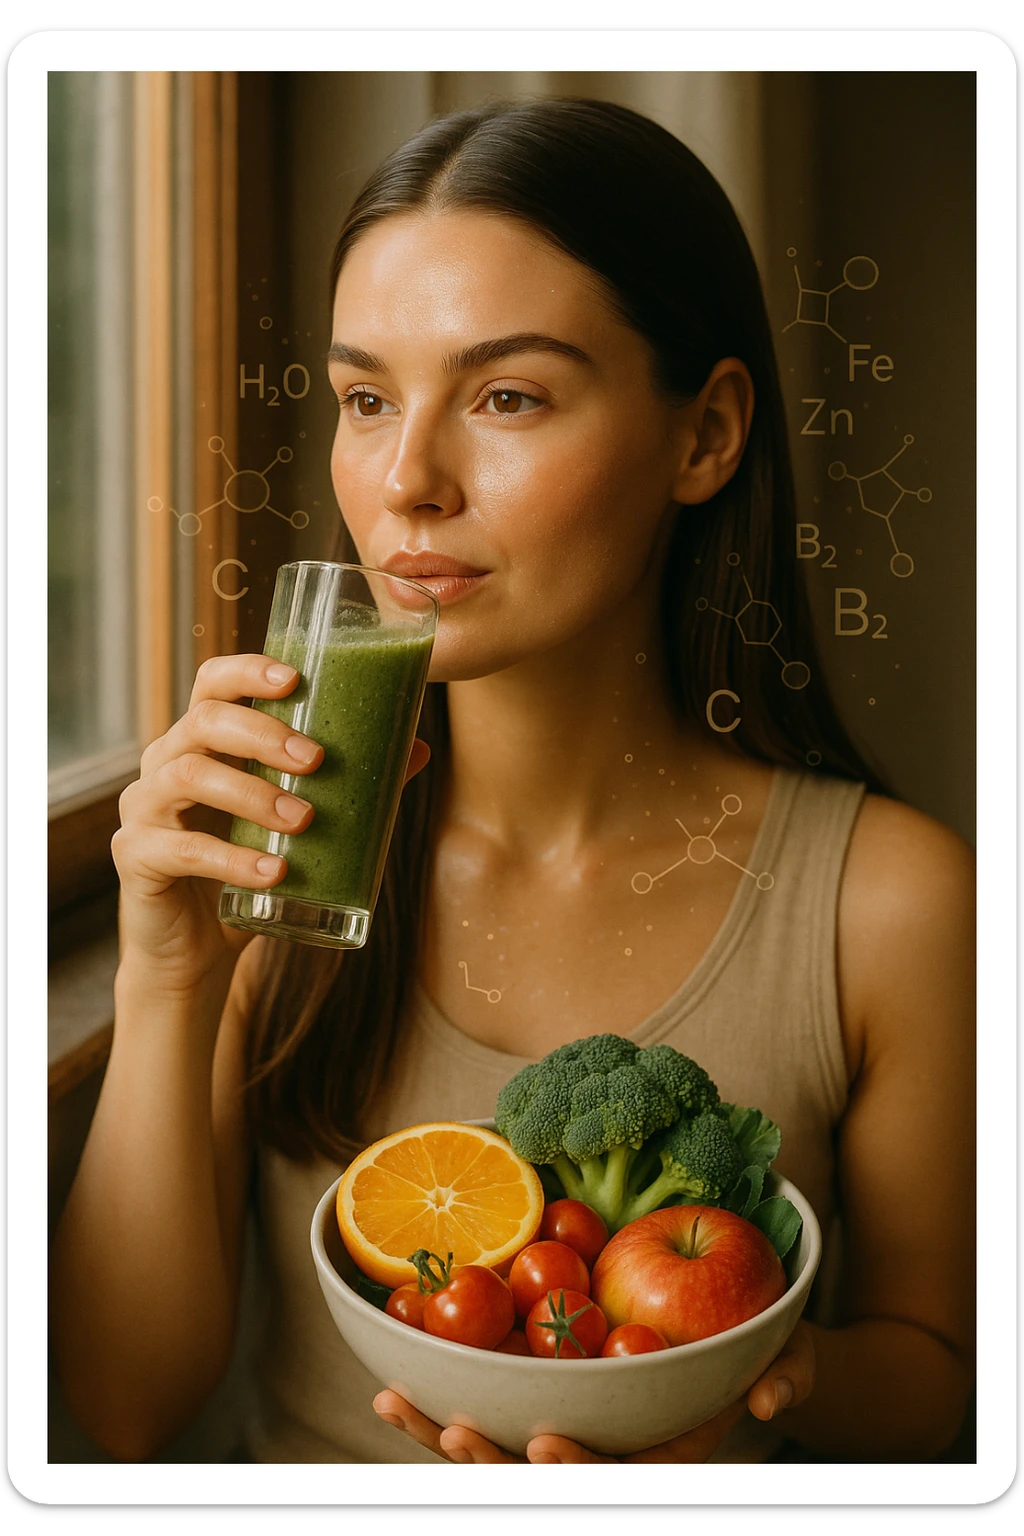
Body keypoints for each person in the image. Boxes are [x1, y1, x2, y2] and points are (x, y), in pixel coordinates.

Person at [51, 97, 975, 1467]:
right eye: (366, 399)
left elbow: (939, 1378)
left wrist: (756, 1390)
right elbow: (120, 1417)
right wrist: (165, 968)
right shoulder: (288, 855)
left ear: (705, 436)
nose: (406, 480)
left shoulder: (891, 901)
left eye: (506, 398)